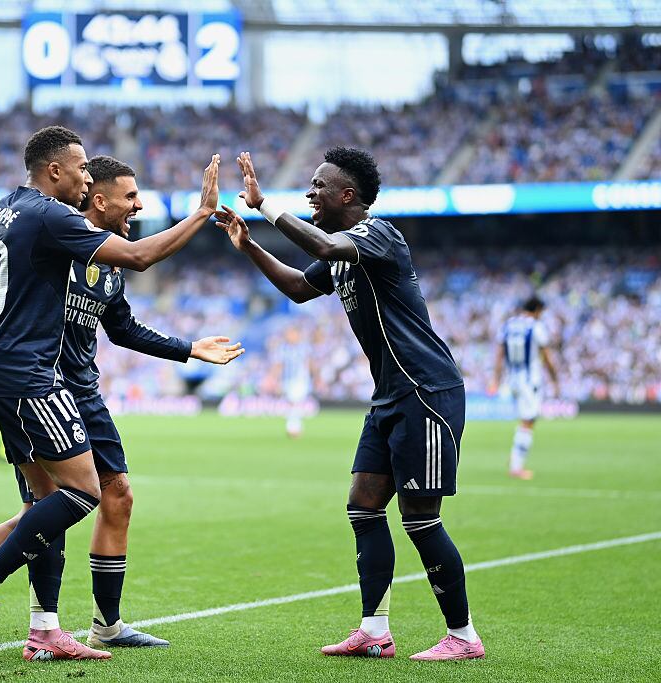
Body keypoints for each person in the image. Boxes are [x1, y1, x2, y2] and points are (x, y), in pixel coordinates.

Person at [0, 154, 243, 655]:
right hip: (39, 386)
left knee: (108, 496)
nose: (138, 206)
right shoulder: (50, 237)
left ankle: (98, 625)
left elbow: (124, 328)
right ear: (98, 199)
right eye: (130, 196)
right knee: (53, 504)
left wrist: (188, 349)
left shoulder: (106, 266)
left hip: (81, 395)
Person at [214, 148, 484, 661]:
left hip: (425, 392)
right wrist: (250, 247)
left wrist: (263, 204)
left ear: (347, 195)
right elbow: (299, 287)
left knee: (420, 517)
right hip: (389, 395)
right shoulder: (341, 255)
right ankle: (374, 630)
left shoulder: (378, 235)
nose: (309, 193)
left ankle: (464, 636)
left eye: (318, 186)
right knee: (363, 506)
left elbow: (323, 244)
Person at [489, 296, 560, 480]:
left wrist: (496, 379)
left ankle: (515, 456)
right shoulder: (536, 326)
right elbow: (547, 357)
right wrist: (555, 379)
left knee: (525, 419)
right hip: (529, 381)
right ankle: (516, 466)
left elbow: (499, 355)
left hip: (512, 379)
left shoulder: (508, 325)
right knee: (528, 421)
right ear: (537, 310)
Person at [276, 326, 314, 437]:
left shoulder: (304, 348)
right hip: (287, 380)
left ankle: (293, 427)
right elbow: (279, 365)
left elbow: (309, 363)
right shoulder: (283, 348)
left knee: (294, 402)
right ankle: (294, 425)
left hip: (300, 380)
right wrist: (276, 380)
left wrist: (314, 377)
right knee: (292, 403)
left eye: (291, 334)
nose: (289, 336)